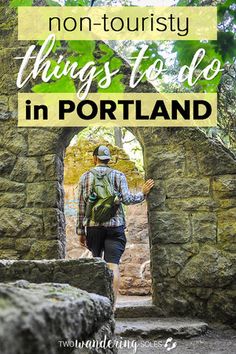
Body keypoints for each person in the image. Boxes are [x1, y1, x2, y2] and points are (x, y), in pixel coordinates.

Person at [76, 145, 154, 306]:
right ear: (108, 159)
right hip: (115, 227)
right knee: (113, 265)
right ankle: (111, 308)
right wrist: (143, 193)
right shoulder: (119, 175)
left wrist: (80, 231)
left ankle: (98, 306)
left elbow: (82, 206)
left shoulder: (85, 177)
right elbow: (127, 199)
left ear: (94, 158)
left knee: (96, 265)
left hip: (93, 228)